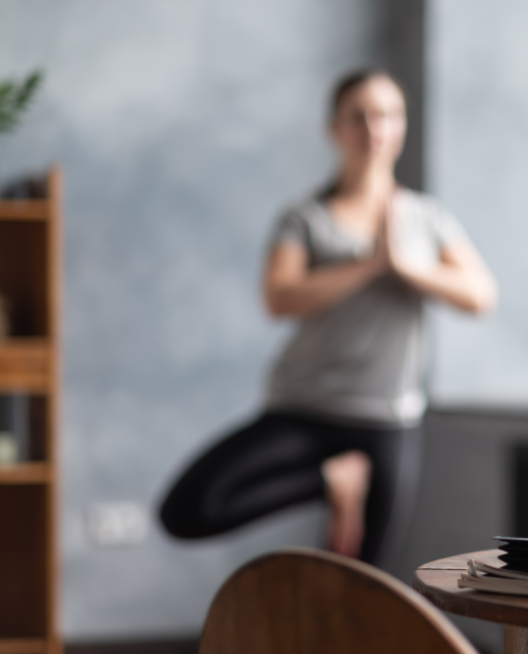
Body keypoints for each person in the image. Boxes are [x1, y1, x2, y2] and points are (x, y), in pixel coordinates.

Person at [159, 69, 497, 564]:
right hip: (304, 408)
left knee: (367, 583)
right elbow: (280, 297)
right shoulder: (304, 218)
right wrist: (369, 265)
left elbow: (479, 296)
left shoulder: (427, 220)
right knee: (188, 510)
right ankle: (332, 480)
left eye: (385, 115)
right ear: (333, 129)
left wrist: (407, 267)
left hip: (387, 421)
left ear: (401, 126)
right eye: (358, 117)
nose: (373, 129)